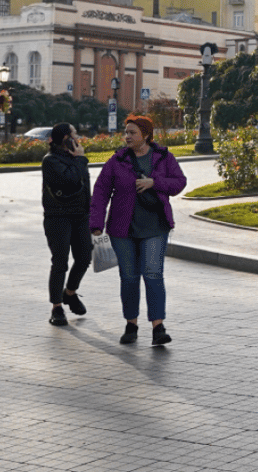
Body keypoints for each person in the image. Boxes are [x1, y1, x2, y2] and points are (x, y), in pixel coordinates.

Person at [90, 115, 187, 346]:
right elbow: (101, 191)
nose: (127, 136)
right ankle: (131, 325)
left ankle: (158, 327)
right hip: (122, 230)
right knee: (129, 277)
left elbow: (179, 182)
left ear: (146, 135)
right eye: (126, 132)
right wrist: (96, 224)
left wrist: (155, 182)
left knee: (153, 274)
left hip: (155, 227)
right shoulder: (117, 160)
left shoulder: (163, 157)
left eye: (132, 132)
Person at [41, 123, 91, 327]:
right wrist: (80, 159)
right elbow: (69, 180)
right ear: (65, 138)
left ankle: (69, 293)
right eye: (74, 133)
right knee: (60, 262)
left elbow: (85, 186)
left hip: (80, 216)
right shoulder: (50, 160)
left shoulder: (75, 158)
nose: (78, 137)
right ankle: (57, 307)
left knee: (84, 258)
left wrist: (92, 214)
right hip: (58, 217)